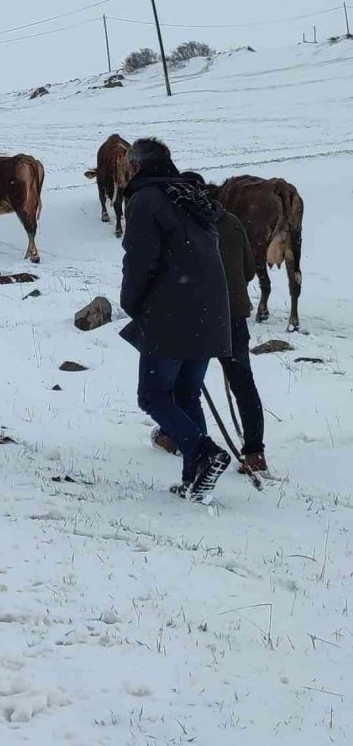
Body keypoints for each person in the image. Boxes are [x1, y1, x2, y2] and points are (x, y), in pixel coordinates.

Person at [120, 138, 232, 499]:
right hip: (211, 310)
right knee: (186, 394)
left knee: (153, 395)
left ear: (136, 167)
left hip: (170, 310)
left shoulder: (146, 200)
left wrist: (131, 302)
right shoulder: (192, 197)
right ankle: (194, 481)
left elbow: (139, 259)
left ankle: (203, 453)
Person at [153, 172, 268, 474]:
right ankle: (255, 452)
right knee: (243, 383)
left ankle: (189, 444)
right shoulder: (231, 223)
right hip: (233, 316)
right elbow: (249, 271)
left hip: (196, 318)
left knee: (185, 386)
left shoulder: (182, 226)